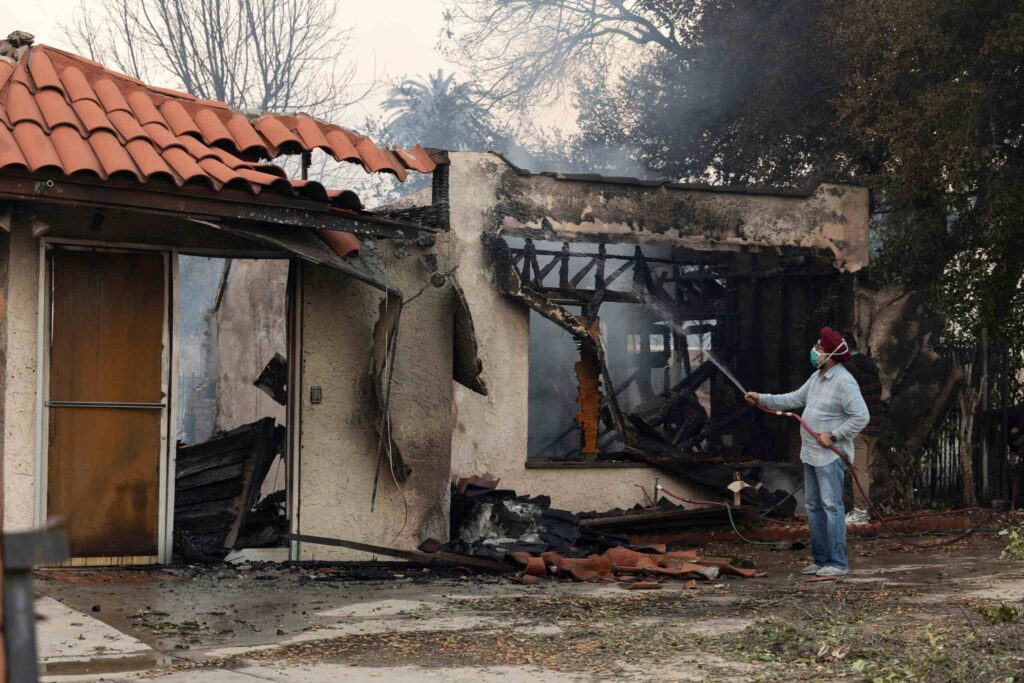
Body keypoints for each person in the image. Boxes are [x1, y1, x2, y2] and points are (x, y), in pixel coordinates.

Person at [744, 327, 869, 577]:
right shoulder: (817, 377)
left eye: (819, 348)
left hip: (830, 455)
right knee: (813, 506)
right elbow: (793, 399)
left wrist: (833, 435)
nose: (814, 352)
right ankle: (821, 560)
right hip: (811, 454)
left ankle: (838, 563)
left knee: (831, 507)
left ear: (830, 354)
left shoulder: (844, 382)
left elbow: (861, 416)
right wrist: (761, 398)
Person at [842, 335, 887, 524]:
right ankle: (862, 509)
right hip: (875, 425)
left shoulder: (849, 368)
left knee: (858, 471)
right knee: (863, 470)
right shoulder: (870, 366)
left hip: (858, 427)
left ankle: (860, 512)